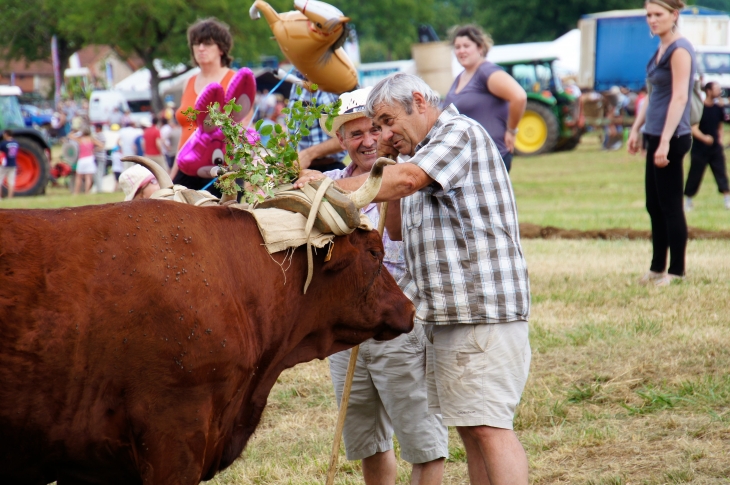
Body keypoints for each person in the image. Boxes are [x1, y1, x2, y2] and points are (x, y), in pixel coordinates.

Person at [295, 73, 531, 485]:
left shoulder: (456, 134)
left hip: (481, 310)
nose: (382, 134)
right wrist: (389, 158)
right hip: (451, 317)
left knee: (489, 428)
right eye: (375, 127)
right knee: (473, 431)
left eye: (386, 122)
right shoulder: (420, 154)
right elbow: (399, 228)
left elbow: (406, 182)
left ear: (419, 101)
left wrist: (327, 189)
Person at [310, 87, 448, 485]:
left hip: (397, 322)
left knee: (422, 440)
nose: (368, 140)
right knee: (368, 440)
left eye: (375, 129)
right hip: (346, 329)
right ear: (341, 141)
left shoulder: (407, 175)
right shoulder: (331, 180)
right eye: (355, 134)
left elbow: (402, 233)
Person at [628, 0, 696, 287]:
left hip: (673, 136)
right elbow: (653, 94)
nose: (652, 20)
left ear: (674, 15)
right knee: (653, 205)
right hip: (655, 134)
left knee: (670, 206)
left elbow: (680, 97)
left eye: (658, 15)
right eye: (649, 15)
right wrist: (635, 128)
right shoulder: (661, 48)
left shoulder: (680, 50)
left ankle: (677, 271)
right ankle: (657, 267)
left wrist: (665, 142)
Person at [170, 17, 242, 195]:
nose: (200, 48)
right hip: (186, 167)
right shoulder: (189, 81)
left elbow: (242, 128)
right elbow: (185, 132)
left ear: (221, 48)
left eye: (207, 43)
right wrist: (173, 173)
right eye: (196, 43)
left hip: (221, 168)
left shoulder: (235, 80)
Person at [444, 25, 527, 172]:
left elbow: (519, 97)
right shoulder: (460, 77)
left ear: (480, 48)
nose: (461, 50)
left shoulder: (485, 71)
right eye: (457, 47)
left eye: (466, 46)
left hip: (492, 156)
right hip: (468, 158)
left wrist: (511, 130)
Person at [287, 73, 347, 172]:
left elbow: (347, 135)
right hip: (298, 169)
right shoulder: (296, 79)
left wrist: (309, 154)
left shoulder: (330, 84)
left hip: (327, 168)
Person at [684, 81, 730, 211]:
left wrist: (719, 139)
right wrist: (704, 138)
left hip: (715, 148)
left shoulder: (718, 108)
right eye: (716, 89)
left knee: (721, 172)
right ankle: (688, 201)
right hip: (700, 149)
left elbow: (720, 126)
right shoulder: (699, 108)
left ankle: (727, 200)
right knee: (695, 174)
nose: (719, 91)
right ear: (708, 91)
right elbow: (694, 128)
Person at [70, 127, 104, 195]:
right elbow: (101, 145)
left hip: (82, 159)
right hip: (90, 159)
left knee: (79, 177)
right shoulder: (91, 140)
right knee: (88, 177)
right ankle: (87, 192)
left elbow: (70, 136)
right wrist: (94, 150)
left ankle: (76, 192)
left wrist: (75, 132)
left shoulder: (80, 140)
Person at [0, 130, 20, 199]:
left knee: (0, 181)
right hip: (13, 164)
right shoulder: (15, 143)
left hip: (4, 165)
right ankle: (10, 197)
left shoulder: (3, 143)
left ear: (6, 134)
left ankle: (0, 197)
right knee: (11, 182)